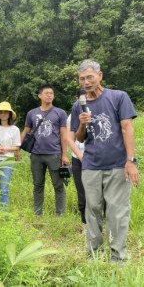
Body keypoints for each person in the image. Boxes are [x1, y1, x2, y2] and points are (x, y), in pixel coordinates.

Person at [70, 59, 140, 263]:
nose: (86, 82)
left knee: (117, 212)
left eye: (90, 77)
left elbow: (127, 128)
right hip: (91, 165)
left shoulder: (119, 97)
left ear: (100, 76)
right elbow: (80, 138)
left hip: (118, 164)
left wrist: (131, 161)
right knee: (91, 210)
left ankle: (118, 256)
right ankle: (94, 253)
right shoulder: (79, 105)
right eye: (82, 79)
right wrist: (82, 124)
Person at [20, 85, 69, 216]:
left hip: (54, 154)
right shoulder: (32, 113)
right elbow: (26, 131)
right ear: (39, 95)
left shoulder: (60, 113)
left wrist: (64, 155)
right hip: (36, 154)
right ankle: (37, 213)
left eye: (51, 93)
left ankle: (60, 214)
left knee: (58, 185)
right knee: (38, 185)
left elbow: (64, 135)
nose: (49, 95)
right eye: (46, 93)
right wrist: (17, 148)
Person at [67, 89, 87, 224]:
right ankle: (84, 219)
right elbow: (70, 138)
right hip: (78, 158)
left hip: (96, 157)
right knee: (81, 190)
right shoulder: (72, 115)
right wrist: (80, 156)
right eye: (81, 98)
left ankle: (102, 219)